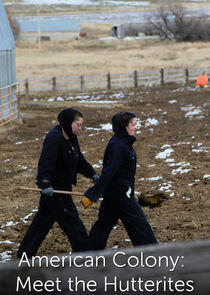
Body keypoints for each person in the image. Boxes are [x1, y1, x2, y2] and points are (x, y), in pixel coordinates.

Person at [17, 108, 98, 258]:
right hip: (54, 190)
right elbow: (45, 163)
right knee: (72, 222)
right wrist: (45, 184)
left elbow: (79, 159)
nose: (80, 128)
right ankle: (86, 255)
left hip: (63, 187)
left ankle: (25, 253)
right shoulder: (54, 138)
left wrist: (92, 173)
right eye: (77, 125)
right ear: (68, 122)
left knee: (43, 222)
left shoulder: (72, 138)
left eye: (81, 125)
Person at [81, 111, 157, 250]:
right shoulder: (118, 146)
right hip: (121, 194)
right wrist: (93, 194)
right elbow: (108, 173)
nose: (136, 127)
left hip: (115, 192)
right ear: (124, 126)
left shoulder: (123, 142)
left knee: (103, 226)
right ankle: (154, 255)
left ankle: (90, 254)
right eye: (133, 124)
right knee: (140, 226)